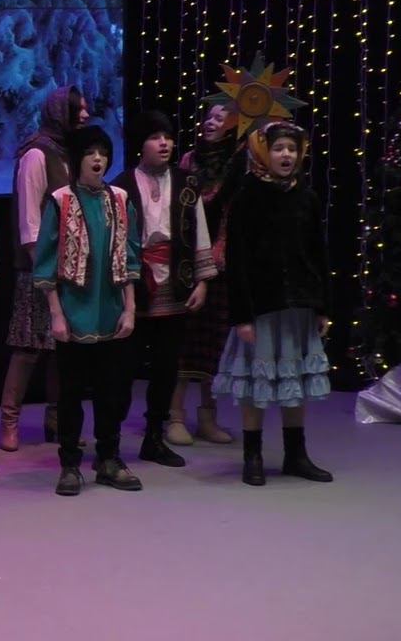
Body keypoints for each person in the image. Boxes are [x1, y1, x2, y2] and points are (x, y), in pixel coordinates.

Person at [212, 121, 333, 486]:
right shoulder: (248, 196)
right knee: (258, 380)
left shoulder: (306, 197)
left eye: (292, 149)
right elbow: (238, 260)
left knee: (295, 379)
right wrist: (242, 316)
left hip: (299, 305)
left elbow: (317, 254)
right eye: (279, 148)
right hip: (261, 307)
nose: (286, 155)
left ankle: (296, 454)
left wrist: (322, 306)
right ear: (265, 152)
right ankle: (253, 455)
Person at [33, 126, 142, 495]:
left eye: (103, 153)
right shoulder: (60, 201)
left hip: (111, 310)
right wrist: (56, 314)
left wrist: (130, 309)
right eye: (90, 153)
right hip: (74, 312)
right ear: (77, 159)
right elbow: (46, 263)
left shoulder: (120, 200)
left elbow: (130, 256)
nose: (98, 160)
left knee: (112, 391)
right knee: (71, 393)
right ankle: (69, 464)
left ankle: (109, 459)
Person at [113, 110, 217, 469]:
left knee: (166, 366)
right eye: (156, 137)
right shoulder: (122, 185)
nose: (164, 144)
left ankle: (154, 437)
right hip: (134, 286)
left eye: (169, 137)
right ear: (140, 144)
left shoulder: (187, 183)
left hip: (175, 282)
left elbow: (200, 230)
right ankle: (111, 444)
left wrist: (202, 280)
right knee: (123, 367)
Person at [0, 86, 91, 451]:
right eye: (77, 109)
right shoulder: (37, 154)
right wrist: (45, 268)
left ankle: (57, 421)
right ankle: (9, 421)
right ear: (58, 112)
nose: (84, 115)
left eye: (85, 109)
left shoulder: (70, 152)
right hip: (38, 267)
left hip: (71, 267)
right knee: (28, 347)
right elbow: (29, 221)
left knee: (62, 348)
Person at [170, 104, 242, 445]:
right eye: (208, 116)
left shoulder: (240, 162)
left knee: (213, 344)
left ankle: (207, 417)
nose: (210, 122)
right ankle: (175, 416)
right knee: (184, 342)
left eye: (219, 118)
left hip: (224, 261)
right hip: (190, 259)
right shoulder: (190, 160)